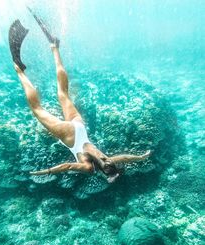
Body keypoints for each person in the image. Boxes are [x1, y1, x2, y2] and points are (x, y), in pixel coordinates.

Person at [10, 19, 151, 183]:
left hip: (79, 127)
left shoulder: (110, 159)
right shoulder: (89, 169)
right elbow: (67, 166)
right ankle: (19, 70)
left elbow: (126, 157)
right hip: (69, 135)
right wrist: (46, 171)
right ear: (104, 173)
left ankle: (54, 47)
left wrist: (141, 157)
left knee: (63, 93)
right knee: (37, 109)